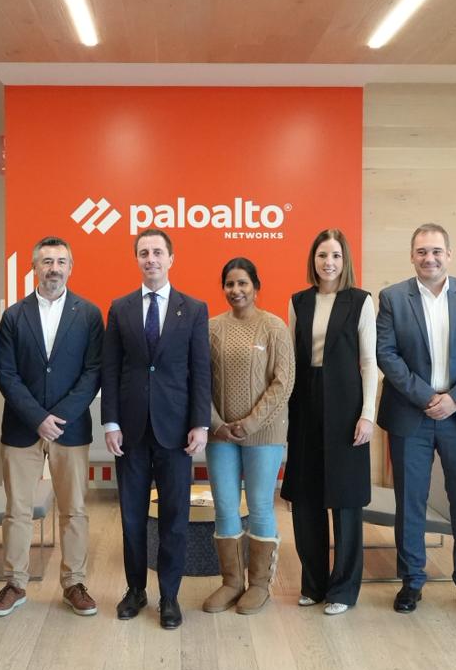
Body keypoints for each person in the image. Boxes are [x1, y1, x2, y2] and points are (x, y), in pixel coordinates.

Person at [377, 222, 456, 617]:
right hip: (411, 414)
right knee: (410, 500)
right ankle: (412, 580)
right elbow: (386, 354)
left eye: (436, 251)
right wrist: (427, 396)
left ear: (449, 254)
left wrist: (454, 399)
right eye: (422, 251)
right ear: (412, 256)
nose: (429, 258)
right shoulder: (393, 297)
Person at [0, 236, 104, 617]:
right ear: (34, 267)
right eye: (46, 262)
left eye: (60, 262)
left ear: (71, 267)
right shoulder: (13, 315)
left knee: (74, 510)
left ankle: (74, 583)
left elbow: (93, 372)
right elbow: (5, 373)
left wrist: (59, 416)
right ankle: (15, 583)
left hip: (70, 429)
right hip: (22, 427)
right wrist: (37, 417)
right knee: (17, 510)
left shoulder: (89, 314)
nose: (54, 268)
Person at [102, 229, 211, 630]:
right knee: (132, 517)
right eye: (144, 252)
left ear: (171, 259)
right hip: (129, 431)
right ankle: (135, 591)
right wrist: (111, 422)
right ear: (137, 259)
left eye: (158, 252)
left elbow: (200, 370)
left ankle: (169, 596)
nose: (151, 258)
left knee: (174, 517)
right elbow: (110, 369)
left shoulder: (193, 309)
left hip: (177, 431)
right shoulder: (120, 308)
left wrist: (200, 423)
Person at [284, 229, 378, 616]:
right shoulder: (299, 301)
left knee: (345, 500)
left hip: (346, 406)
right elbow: (290, 360)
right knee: (306, 498)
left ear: (345, 260)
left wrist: (368, 414)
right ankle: (313, 584)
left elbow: (369, 362)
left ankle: (343, 589)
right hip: (304, 402)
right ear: (313, 259)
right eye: (323, 255)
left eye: (336, 255)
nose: (329, 262)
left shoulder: (361, 301)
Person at [204, 257, 294, 615]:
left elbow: (283, 382)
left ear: (256, 287)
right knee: (225, 506)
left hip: (264, 434)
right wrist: (217, 423)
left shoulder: (274, 327)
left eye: (242, 283)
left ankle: (258, 585)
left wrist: (251, 423)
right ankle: (231, 583)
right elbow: (199, 381)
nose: (236, 290)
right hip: (220, 435)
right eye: (229, 284)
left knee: (259, 506)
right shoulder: (211, 329)